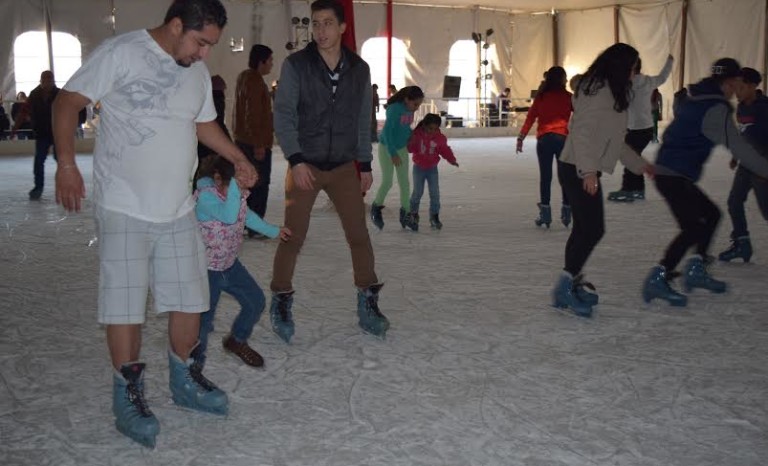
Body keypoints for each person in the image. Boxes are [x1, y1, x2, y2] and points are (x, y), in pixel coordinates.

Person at [53, 0, 258, 448]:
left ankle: (184, 380)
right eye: (201, 42)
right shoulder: (121, 53)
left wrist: (237, 156)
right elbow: (67, 103)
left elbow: (204, 124)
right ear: (176, 24)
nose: (205, 53)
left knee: (191, 300)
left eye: (211, 46)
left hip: (178, 208)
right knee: (124, 305)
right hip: (124, 205)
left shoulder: (196, 72)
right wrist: (66, 164)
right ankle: (126, 394)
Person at [269, 0, 388, 342]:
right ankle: (280, 298)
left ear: (342, 28)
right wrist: (296, 159)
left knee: (358, 236)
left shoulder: (359, 69)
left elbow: (362, 118)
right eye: (316, 24)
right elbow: (285, 116)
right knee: (293, 236)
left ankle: (368, 300)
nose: (320, 31)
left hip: (342, 167)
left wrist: (363, 163)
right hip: (305, 164)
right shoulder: (297, 65)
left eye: (327, 24)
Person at [642, 59, 768, 307]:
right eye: (735, 84)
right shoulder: (715, 108)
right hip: (673, 174)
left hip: (672, 171)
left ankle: (696, 269)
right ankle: (658, 277)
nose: (735, 90)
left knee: (711, 215)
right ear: (729, 82)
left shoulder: (695, 98)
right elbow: (739, 146)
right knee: (693, 228)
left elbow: (672, 133)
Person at [552, 43, 653, 318]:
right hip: (578, 167)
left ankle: (570, 282)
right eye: (633, 69)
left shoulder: (607, 90)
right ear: (621, 67)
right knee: (593, 229)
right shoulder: (598, 93)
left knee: (584, 228)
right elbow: (582, 133)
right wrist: (588, 172)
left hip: (578, 165)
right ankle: (565, 287)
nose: (634, 75)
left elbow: (614, 140)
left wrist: (640, 165)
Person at [194, 155, 291, 368]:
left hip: (230, 265)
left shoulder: (232, 196)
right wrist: (237, 190)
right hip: (206, 271)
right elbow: (228, 216)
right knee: (203, 322)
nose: (237, 191)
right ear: (218, 179)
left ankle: (236, 340)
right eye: (234, 185)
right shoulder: (206, 198)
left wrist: (275, 231)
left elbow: (247, 217)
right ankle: (193, 367)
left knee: (256, 302)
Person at [716, 67, 768, 263]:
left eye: (741, 88)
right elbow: (745, 134)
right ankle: (742, 244)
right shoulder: (742, 107)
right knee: (734, 202)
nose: (737, 92)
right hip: (747, 164)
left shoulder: (764, 108)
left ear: (753, 86)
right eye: (735, 88)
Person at [607, 54, 673, 202]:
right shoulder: (649, 81)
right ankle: (638, 190)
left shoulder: (625, 85)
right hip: (647, 128)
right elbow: (663, 77)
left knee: (630, 159)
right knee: (634, 158)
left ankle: (628, 190)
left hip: (635, 129)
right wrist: (670, 62)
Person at [516, 66, 573, 228]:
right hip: (563, 139)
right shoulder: (569, 97)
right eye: (565, 77)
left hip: (544, 140)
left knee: (546, 177)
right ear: (561, 79)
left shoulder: (541, 98)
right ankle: (567, 211)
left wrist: (521, 138)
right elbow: (583, 115)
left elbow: (530, 119)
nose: (567, 80)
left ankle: (545, 214)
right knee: (565, 176)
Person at [233, 44, 276, 237]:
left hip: (243, 140)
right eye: (270, 60)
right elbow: (254, 115)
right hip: (254, 142)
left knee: (248, 182)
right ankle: (255, 226)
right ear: (262, 61)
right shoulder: (255, 81)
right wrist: (258, 143)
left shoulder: (244, 77)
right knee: (259, 183)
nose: (271, 64)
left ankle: (245, 222)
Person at [370, 85, 424, 230]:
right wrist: (393, 153)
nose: (417, 107)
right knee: (388, 181)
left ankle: (405, 213)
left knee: (404, 183)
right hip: (387, 148)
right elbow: (387, 133)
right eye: (415, 104)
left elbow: (404, 126)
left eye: (419, 104)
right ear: (407, 100)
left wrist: (410, 133)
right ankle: (375, 207)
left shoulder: (409, 110)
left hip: (401, 149)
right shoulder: (394, 109)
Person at [406, 113, 458, 230]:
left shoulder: (440, 138)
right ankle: (413, 215)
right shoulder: (417, 135)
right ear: (424, 125)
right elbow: (410, 149)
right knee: (417, 193)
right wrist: (408, 142)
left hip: (432, 169)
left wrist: (451, 160)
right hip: (419, 168)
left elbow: (445, 150)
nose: (432, 131)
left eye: (435, 129)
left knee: (435, 194)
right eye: (430, 128)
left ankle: (434, 216)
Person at [27, 71, 59, 200]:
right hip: (41, 133)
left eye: (50, 78)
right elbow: (28, 111)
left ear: (53, 80)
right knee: (39, 162)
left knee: (62, 161)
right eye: (45, 78)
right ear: (40, 80)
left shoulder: (60, 94)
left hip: (58, 133)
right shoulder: (34, 95)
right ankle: (38, 188)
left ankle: (63, 187)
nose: (47, 81)